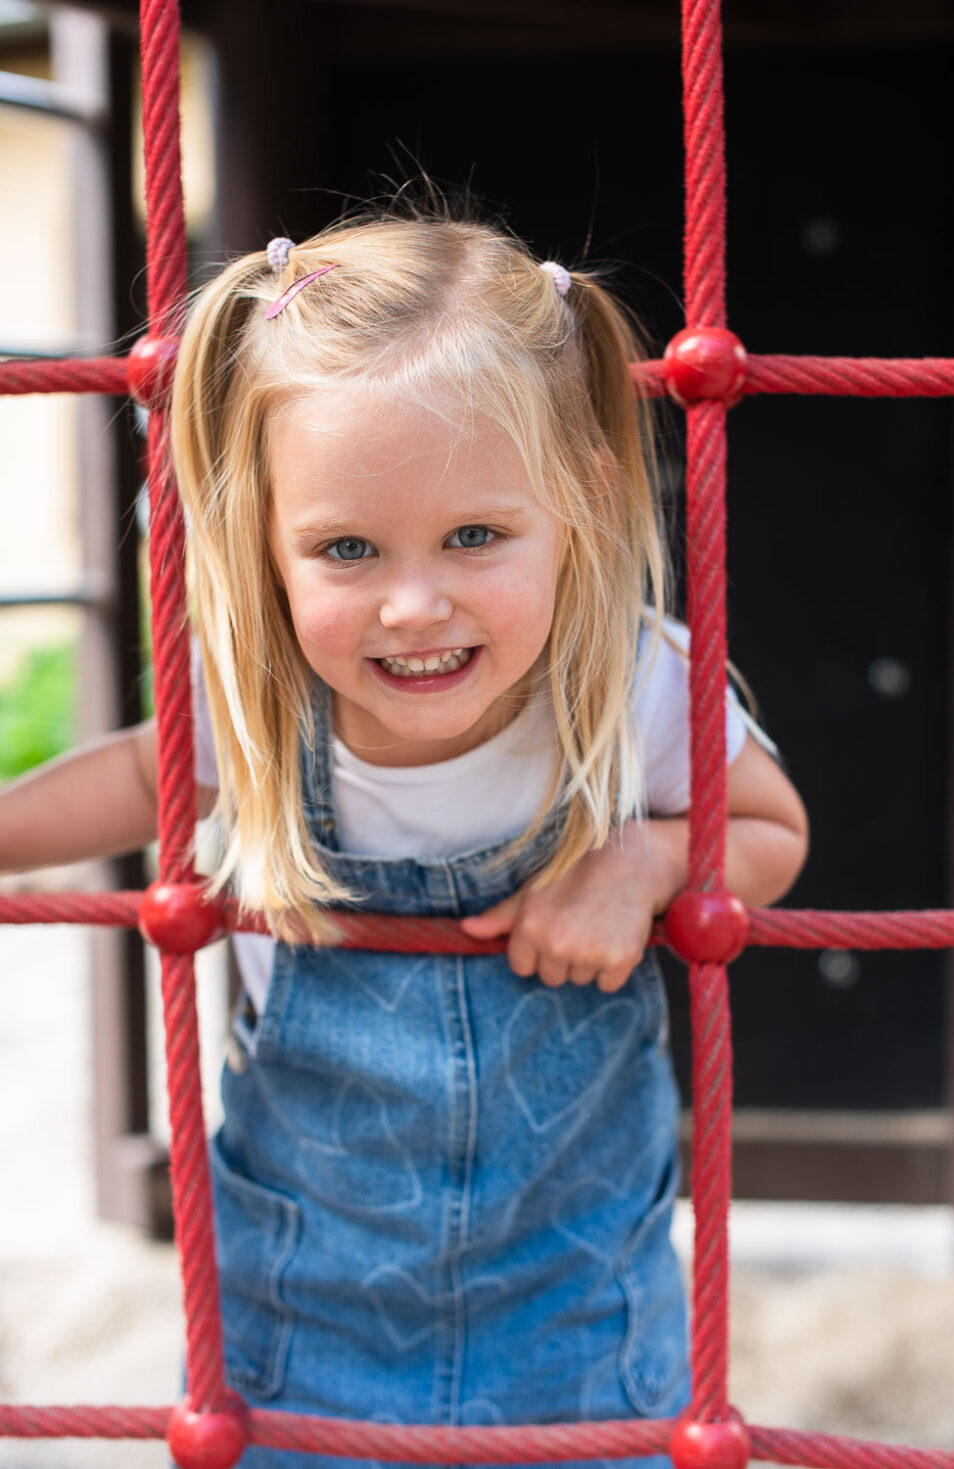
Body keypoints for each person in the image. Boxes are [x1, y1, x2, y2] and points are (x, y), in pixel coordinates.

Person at [0, 212, 808, 1467]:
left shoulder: (631, 680)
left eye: (475, 537)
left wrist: (642, 859)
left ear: (585, 490)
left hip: (576, 1305)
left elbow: (767, 828)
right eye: (345, 548)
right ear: (263, 533)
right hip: (300, 1307)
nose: (413, 602)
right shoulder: (266, 694)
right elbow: (129, 781)